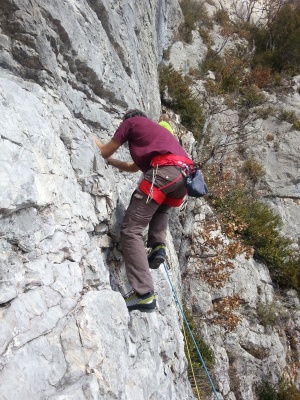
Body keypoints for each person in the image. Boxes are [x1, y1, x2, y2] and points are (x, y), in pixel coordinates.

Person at [94, 109, 193, 311]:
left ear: (129, 119)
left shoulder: (131, 123)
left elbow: (105, 151)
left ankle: (143, 294)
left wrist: (95, 144)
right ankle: (158, 246)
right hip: (185, 176)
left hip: (164, 171)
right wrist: (111, 163)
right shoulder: (157, 133)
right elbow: (132, 167)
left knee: (131, 230)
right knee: (161, 208)